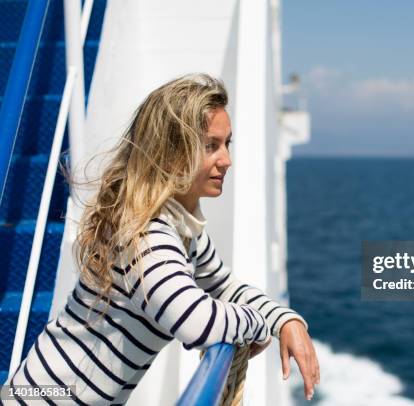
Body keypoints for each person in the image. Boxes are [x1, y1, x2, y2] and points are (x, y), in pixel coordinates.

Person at [5, 73, 319, 404]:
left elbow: (225, 288)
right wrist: (257, 326)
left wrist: (285, 321)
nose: (226, 160)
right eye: (210, 146)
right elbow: (196, 323)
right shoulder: (146, 234)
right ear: (170, 152)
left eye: (227, 144)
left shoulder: (181, 227)